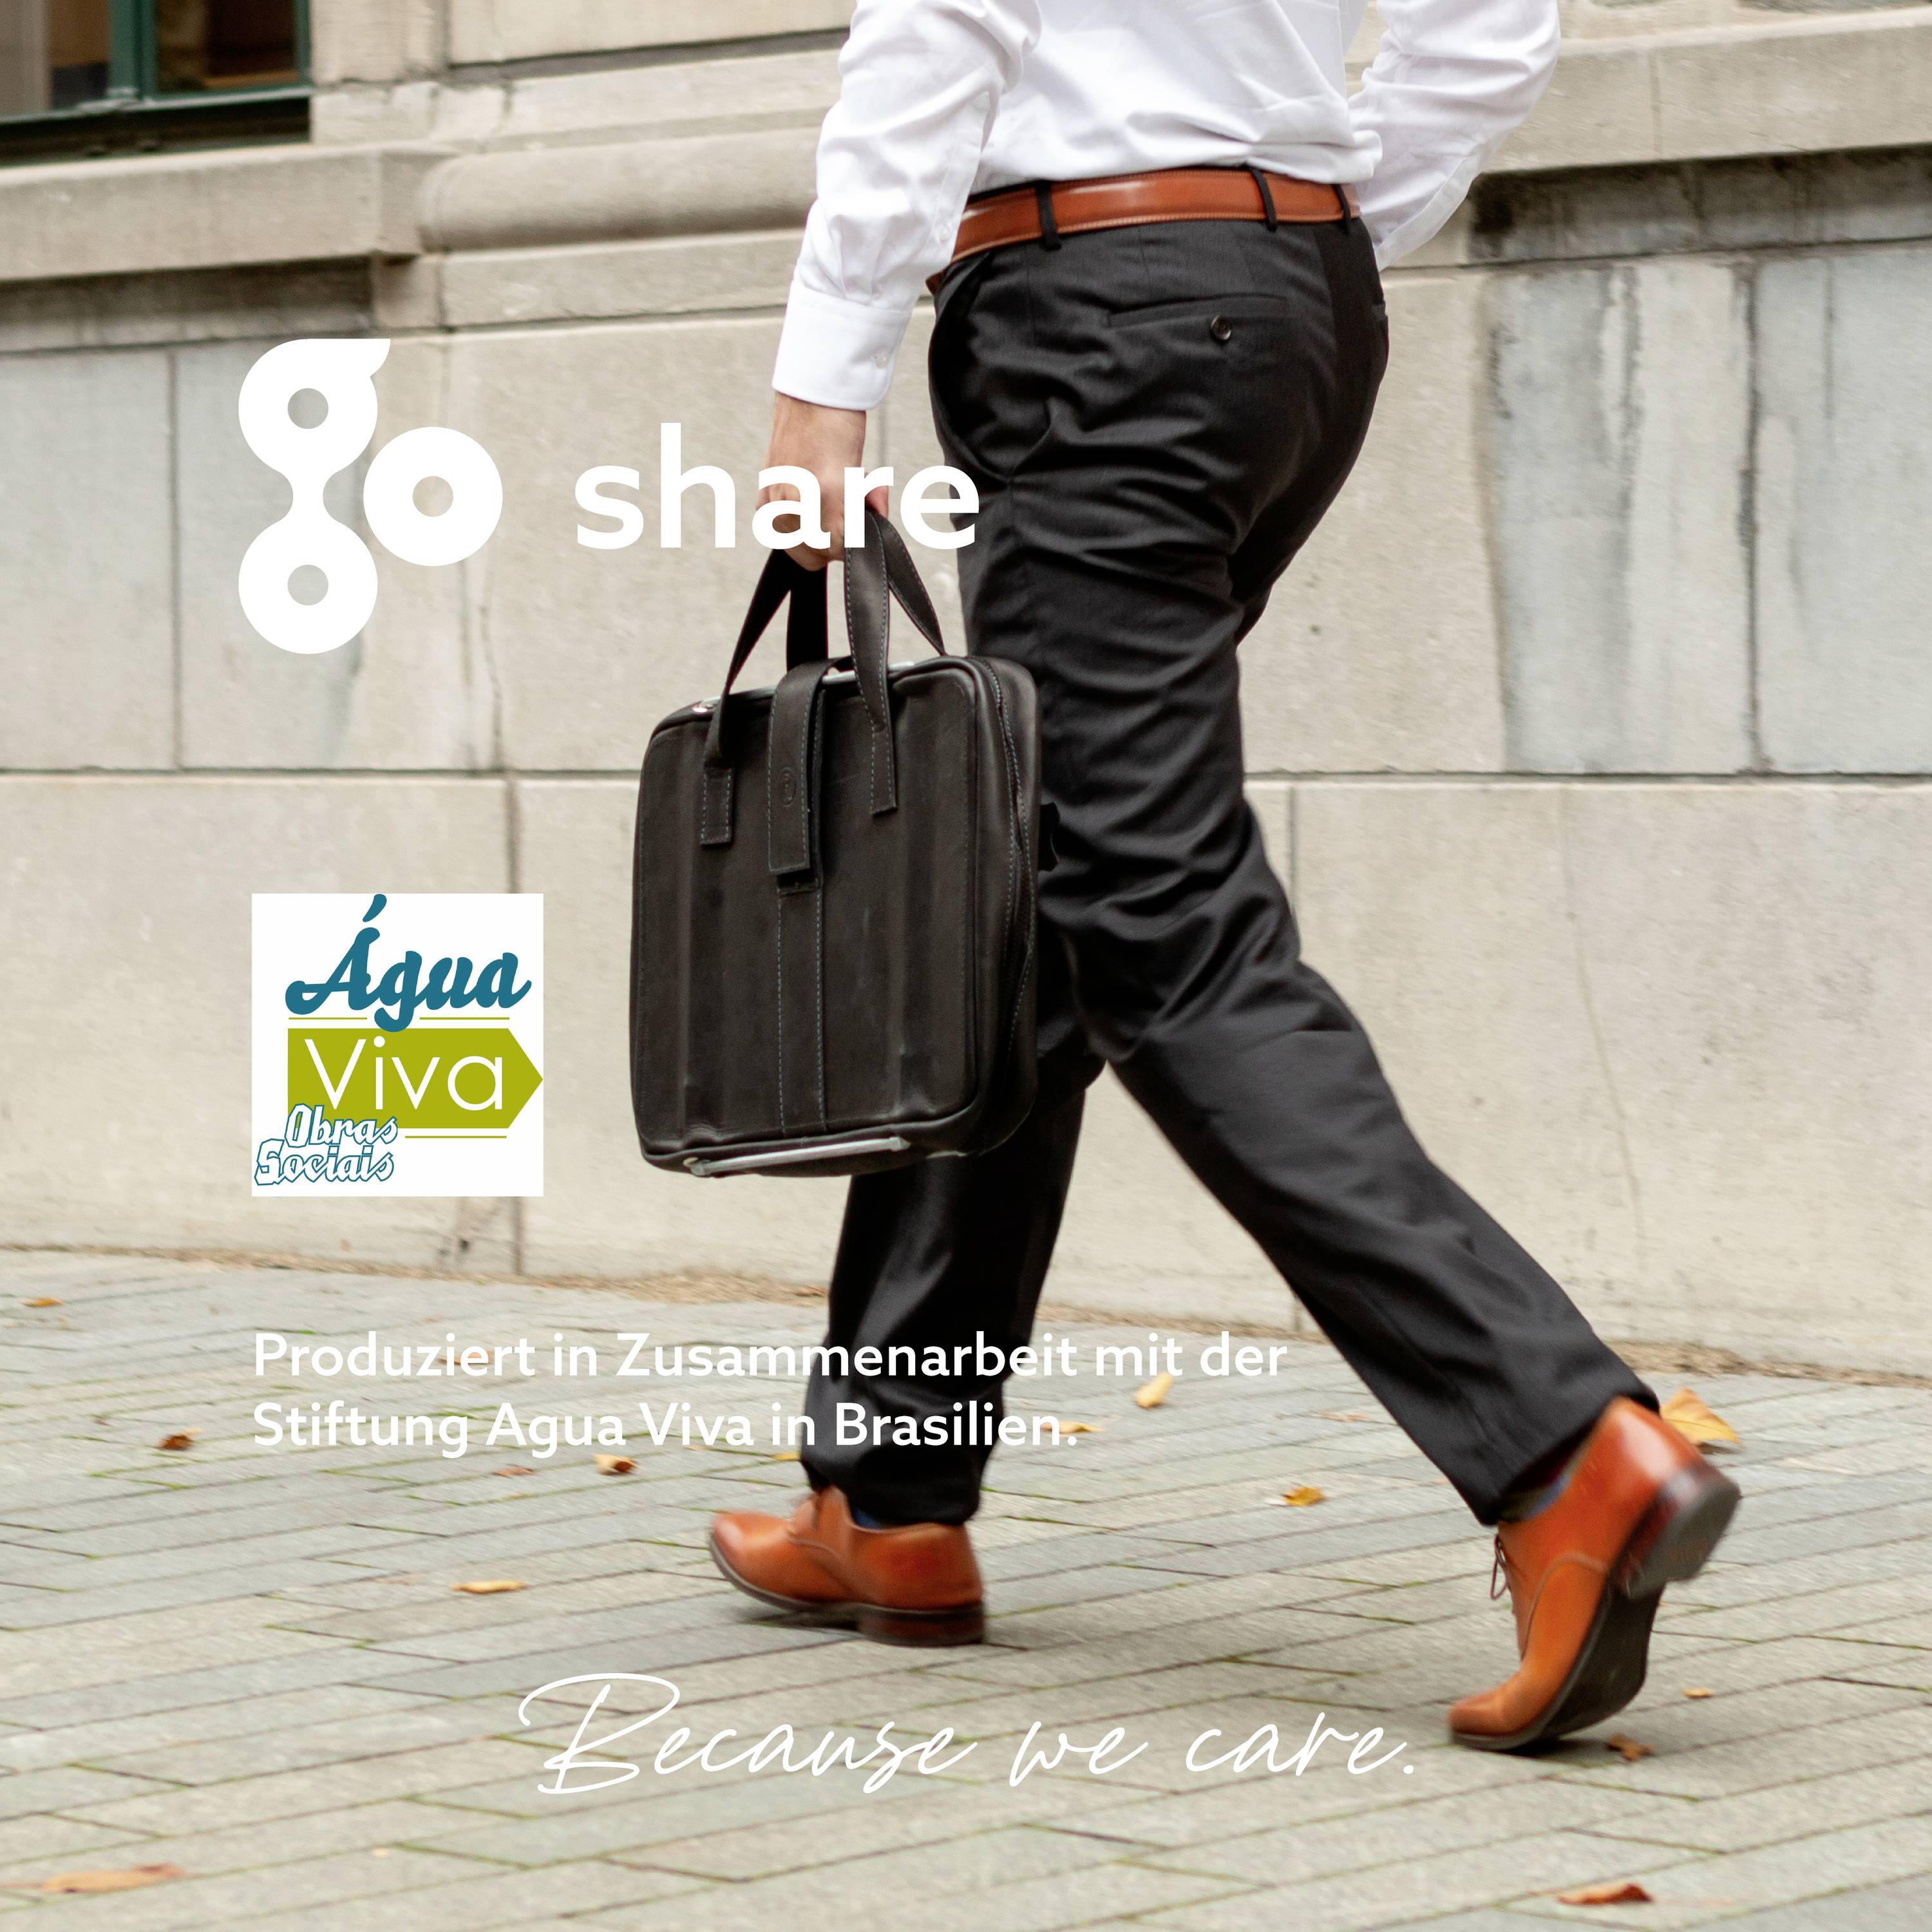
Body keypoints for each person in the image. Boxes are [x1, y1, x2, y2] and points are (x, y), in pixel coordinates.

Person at [706, 0, 1739, 1752]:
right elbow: (1496, 30)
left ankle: (1563, 1447)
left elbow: (942, 20)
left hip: (1100, 316)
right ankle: (888, 1493)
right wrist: (1294, 217)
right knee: (1038, 895)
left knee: (1155, 918)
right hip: (1293, 323)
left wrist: (825, 376)